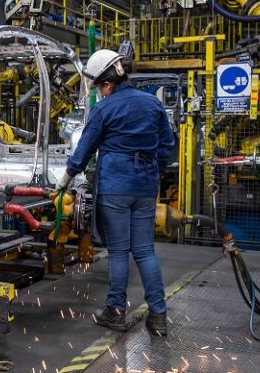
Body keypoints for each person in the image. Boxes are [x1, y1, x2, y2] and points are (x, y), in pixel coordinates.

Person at [54, 49, 175, 337]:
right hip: (146, 186)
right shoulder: (152, 104)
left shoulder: (104, 108)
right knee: (145, 251)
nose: (99, 92)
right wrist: (148, 165)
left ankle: (115, 311)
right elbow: (167, 147)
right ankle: (158, 317)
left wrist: (64, 180)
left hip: (115, 187)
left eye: (98, 86)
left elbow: (84, 149)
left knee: (119, 251)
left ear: (107, 83)